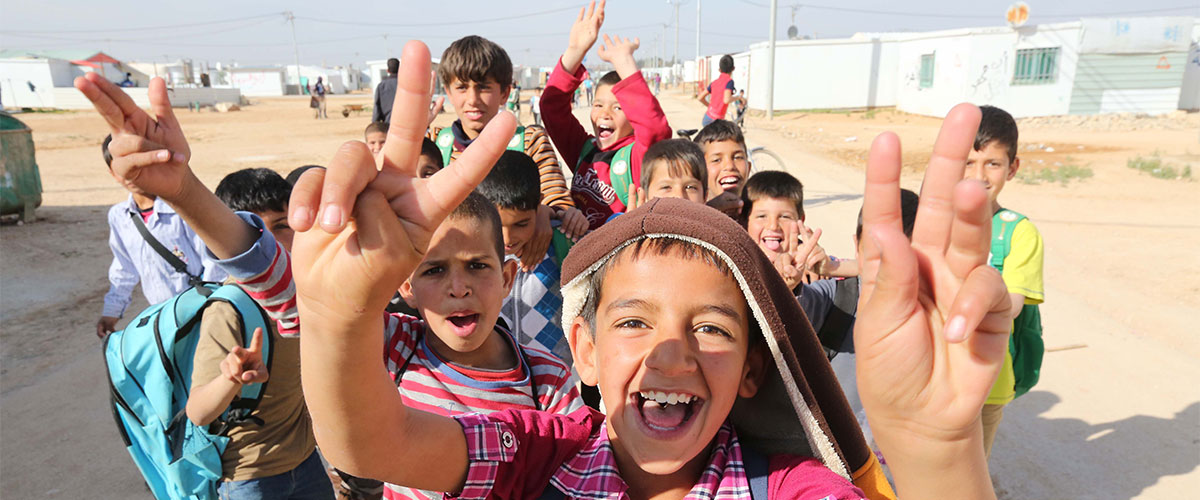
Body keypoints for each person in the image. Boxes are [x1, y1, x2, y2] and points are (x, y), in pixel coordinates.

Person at [279, 38, 1011, 500]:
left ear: (752, 371)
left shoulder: (789, 488)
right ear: (586, 352)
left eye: (713, 328)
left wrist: (939, 457)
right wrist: (341, 316)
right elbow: (373, 445)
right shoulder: (540, 456)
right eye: (633, 320)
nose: (671, 350)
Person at [75, 68, 583, 500]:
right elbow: (300, 299)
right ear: (403, 286)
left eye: (477, 265)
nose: (458, 287)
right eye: (433, 269)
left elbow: (573, 471)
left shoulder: (546, 377)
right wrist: (184, 191)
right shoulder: (394, 345)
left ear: (509, 274)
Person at [186, 167, 334, 499]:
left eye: (281, 227)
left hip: (307, 462)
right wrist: (231, 379)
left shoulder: (306, 292)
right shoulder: (229, 309)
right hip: (251, 477)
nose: (271, 242)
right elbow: (198, 411)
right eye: (254, 233)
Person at [428, 35, 581, 271]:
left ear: (505, 93)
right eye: (461, 87)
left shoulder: (529, 141)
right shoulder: (436, 144)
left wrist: (544, 212)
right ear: (448, 92)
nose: (472, 99)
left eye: (483, 87)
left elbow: (560, 202)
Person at [541, 0, 672, 229]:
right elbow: (552, 108)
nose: (605, 114)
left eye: (618, 107)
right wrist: (575, 51)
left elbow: (655, 129)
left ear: (633, 114)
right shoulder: (585, 151)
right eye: (598, 105)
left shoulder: (637, 157)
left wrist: (625, 64)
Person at [966, 105, 1045, 460]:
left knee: (970, 476)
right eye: (968, 162)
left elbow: (1011, 306)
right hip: (933, 374)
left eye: (992, 163)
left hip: (988, 381)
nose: (978, 175)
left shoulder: (1020, 232)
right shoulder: (931, 220)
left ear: (1012, 168)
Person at [96, 134, 226, 338]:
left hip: (199, 313)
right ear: (112, 172)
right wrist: (111, 312)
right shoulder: (119, 216)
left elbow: (212, 261)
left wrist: (207, 308)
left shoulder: (182, 208)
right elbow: (124, 268)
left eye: (137, 165)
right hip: (162, 320)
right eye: (123, 168)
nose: (131, 175)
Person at [475, 151, 588, 365]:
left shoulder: (564, 243)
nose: (507, 238)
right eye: (498, 225)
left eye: (521, 224)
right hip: (491, 377)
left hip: (552, 380)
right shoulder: (466, 250)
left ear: (539, 205)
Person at [738, 170, 854, 287]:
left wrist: (829, 268)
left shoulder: (811, 265)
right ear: (744, 220)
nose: (773, 226)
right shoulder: (737, 266)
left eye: (784, 217)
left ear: (801, 221)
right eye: (762, 216)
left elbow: (867, 270)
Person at [623, 138, 707, 212]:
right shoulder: (631, 229)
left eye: (690, 187)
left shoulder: (715, 229)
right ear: (645, 196)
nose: (679, 196)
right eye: (666, 187)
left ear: (705, 197)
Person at [693, 119, 750, 219]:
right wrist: (710, 211)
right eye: (716, 160)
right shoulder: (693, 215)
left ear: (749, 167)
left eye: (738, 157)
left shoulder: (758, 213)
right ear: (700, 172)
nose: (729, 166)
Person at [697, 54, 743, 126]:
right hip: (716, 121)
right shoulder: (729, 82)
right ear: (733, 68)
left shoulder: (714, 83)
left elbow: (700, 98)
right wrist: (738, 97)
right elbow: (726, 100)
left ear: (719, 70)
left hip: (707, 118)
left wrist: (710, 106)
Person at [373, 58, 399, 123]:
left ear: (388, 71)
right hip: (407, 125)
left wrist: (375, 124)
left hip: (388, 124)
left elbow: (377, 108)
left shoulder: (381, 86)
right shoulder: (407, 84)